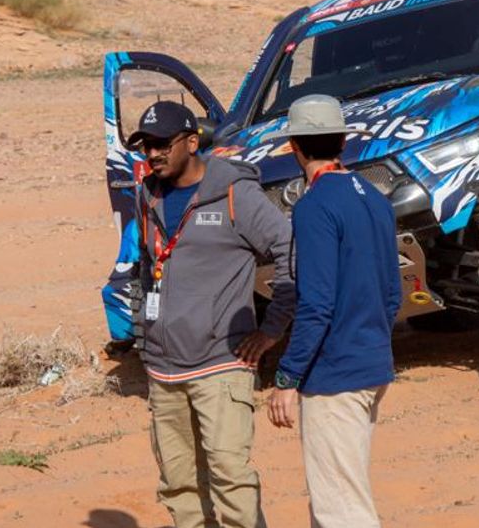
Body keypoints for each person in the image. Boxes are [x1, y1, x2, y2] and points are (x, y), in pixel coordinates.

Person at [129, 100, 296, 528]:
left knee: (231, 482)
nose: (152, 154)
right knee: (178, 486)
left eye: (162, 144)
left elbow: (290, 250)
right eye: (146, 145)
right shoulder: (147, 195)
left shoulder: (236, 194)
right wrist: (143, 335)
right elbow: (146, 267)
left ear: (191, 142)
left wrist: (272, 329)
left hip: (222, 366)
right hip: (164, 372)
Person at [265, 95, 401, 528]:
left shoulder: (314, 206)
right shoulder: (375, 198)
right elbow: (392, 292)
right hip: (372, 362)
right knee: (338, 497)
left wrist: (287, 377)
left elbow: (316, 304)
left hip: (335, 374)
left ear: (295, 148)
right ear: (343, 140)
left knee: (342, 509)